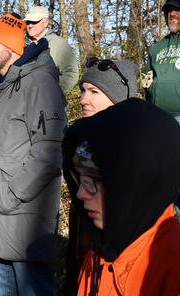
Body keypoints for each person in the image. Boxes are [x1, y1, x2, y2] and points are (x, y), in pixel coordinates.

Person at [0, 14, 66, 295]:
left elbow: (49, 150)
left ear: (10, 45)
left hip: (21, 219)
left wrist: (11, 194)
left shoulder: (40, 84)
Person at [62, 99, 180, 295]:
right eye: (80, 179)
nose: (81, 194)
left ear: (138, 182)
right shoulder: (102, 243)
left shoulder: (172, 267)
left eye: (94, 180)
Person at [65, 57, 137, 294]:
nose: (83, 100)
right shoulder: (83, 134)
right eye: (83, 90)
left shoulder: (137, 147)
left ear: (119, 96)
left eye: (94, 92)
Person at [24, 5, 79, 95]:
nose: (30, 25)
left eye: (34, 22)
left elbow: (71, 74)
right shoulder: (21, 44)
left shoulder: (59, 44)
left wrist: (51, 93)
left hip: (48, 104)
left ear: (45, 23)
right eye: (28, 22)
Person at [144, 0, 180, 121]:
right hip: (158, 117)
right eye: (169, 10)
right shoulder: (156, 49)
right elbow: (146, 83)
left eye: (177, 9)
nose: (172, 14)